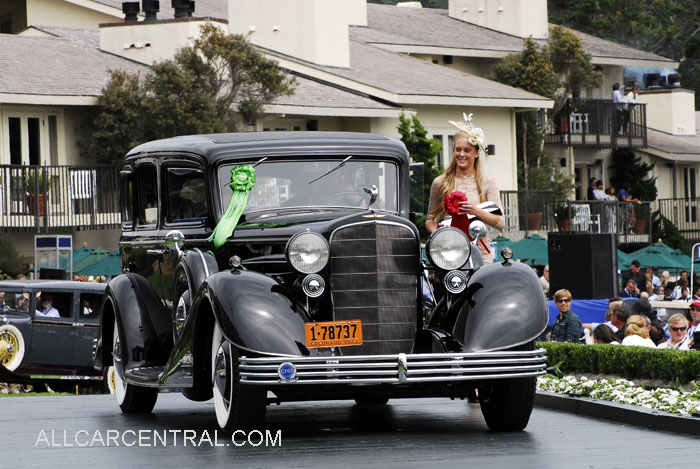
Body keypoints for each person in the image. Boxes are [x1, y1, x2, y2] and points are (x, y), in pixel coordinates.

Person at [426, 113, 504, 264]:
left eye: (467, 150)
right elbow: (430, 219)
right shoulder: (439, 182)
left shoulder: (487, 181)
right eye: (458, 149)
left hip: (480, 254)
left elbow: (500, 222)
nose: (461, 154)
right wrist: (439, 232)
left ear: (476, 153)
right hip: (448, 253)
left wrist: (475, 211)